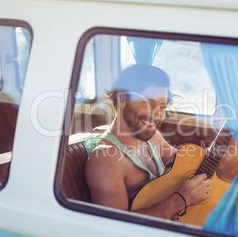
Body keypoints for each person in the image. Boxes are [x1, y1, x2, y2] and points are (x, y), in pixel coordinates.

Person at [85, 64, 212, 219]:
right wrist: (182, 200)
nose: (157, 115)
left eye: (162, 106)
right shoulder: (106, 158)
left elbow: (186, 165)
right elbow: (115, 226)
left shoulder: (152, 138)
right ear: (122, 99)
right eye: (149, 104)